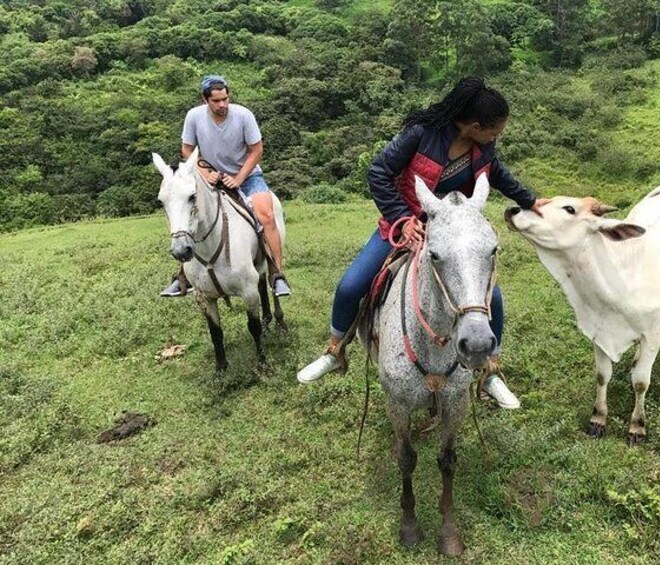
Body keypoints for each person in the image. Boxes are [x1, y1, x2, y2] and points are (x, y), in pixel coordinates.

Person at [296, 76, 551, 409]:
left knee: (493, 299)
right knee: (350, 285)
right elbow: (379, 173)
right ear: (474, 125)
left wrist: (531, 200)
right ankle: (334, 351)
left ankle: (490, 371)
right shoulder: (420, 134)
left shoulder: (483, 149)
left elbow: (497, 174)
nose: (495, 137)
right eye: (494, 131)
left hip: (454, 233)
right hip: (406, 226)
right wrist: (402, 219)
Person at [160, 75, 291, 297]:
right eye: (216, 101)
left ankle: (277, 274)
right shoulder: (193, 117)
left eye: (225, 99)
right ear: (205, 100)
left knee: (266, 214)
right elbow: (186, 149)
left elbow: (256, 150)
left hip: (247, 176)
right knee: (191, 216)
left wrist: (238, 178)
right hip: (210, 176)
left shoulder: (243, 115)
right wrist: (204, 172)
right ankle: (183, 276)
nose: (222, 105)